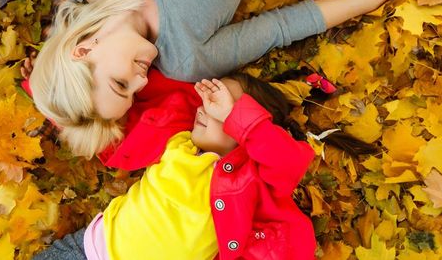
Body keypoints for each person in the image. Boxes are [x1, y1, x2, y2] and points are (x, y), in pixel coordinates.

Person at [27, 0, 412, 155]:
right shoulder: (186, 58)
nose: (141, 82)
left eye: (120, 84)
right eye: (134, 94)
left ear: (82, 51)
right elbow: (281, 27)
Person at [34, 73, 357, 260]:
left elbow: (287, 159)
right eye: (209, 102)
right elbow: (120, 120)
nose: (206, 110)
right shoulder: (179, 142)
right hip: (88, 250)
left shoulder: (251, 176)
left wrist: (236, 116)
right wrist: (47, 85)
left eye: (223, 109)